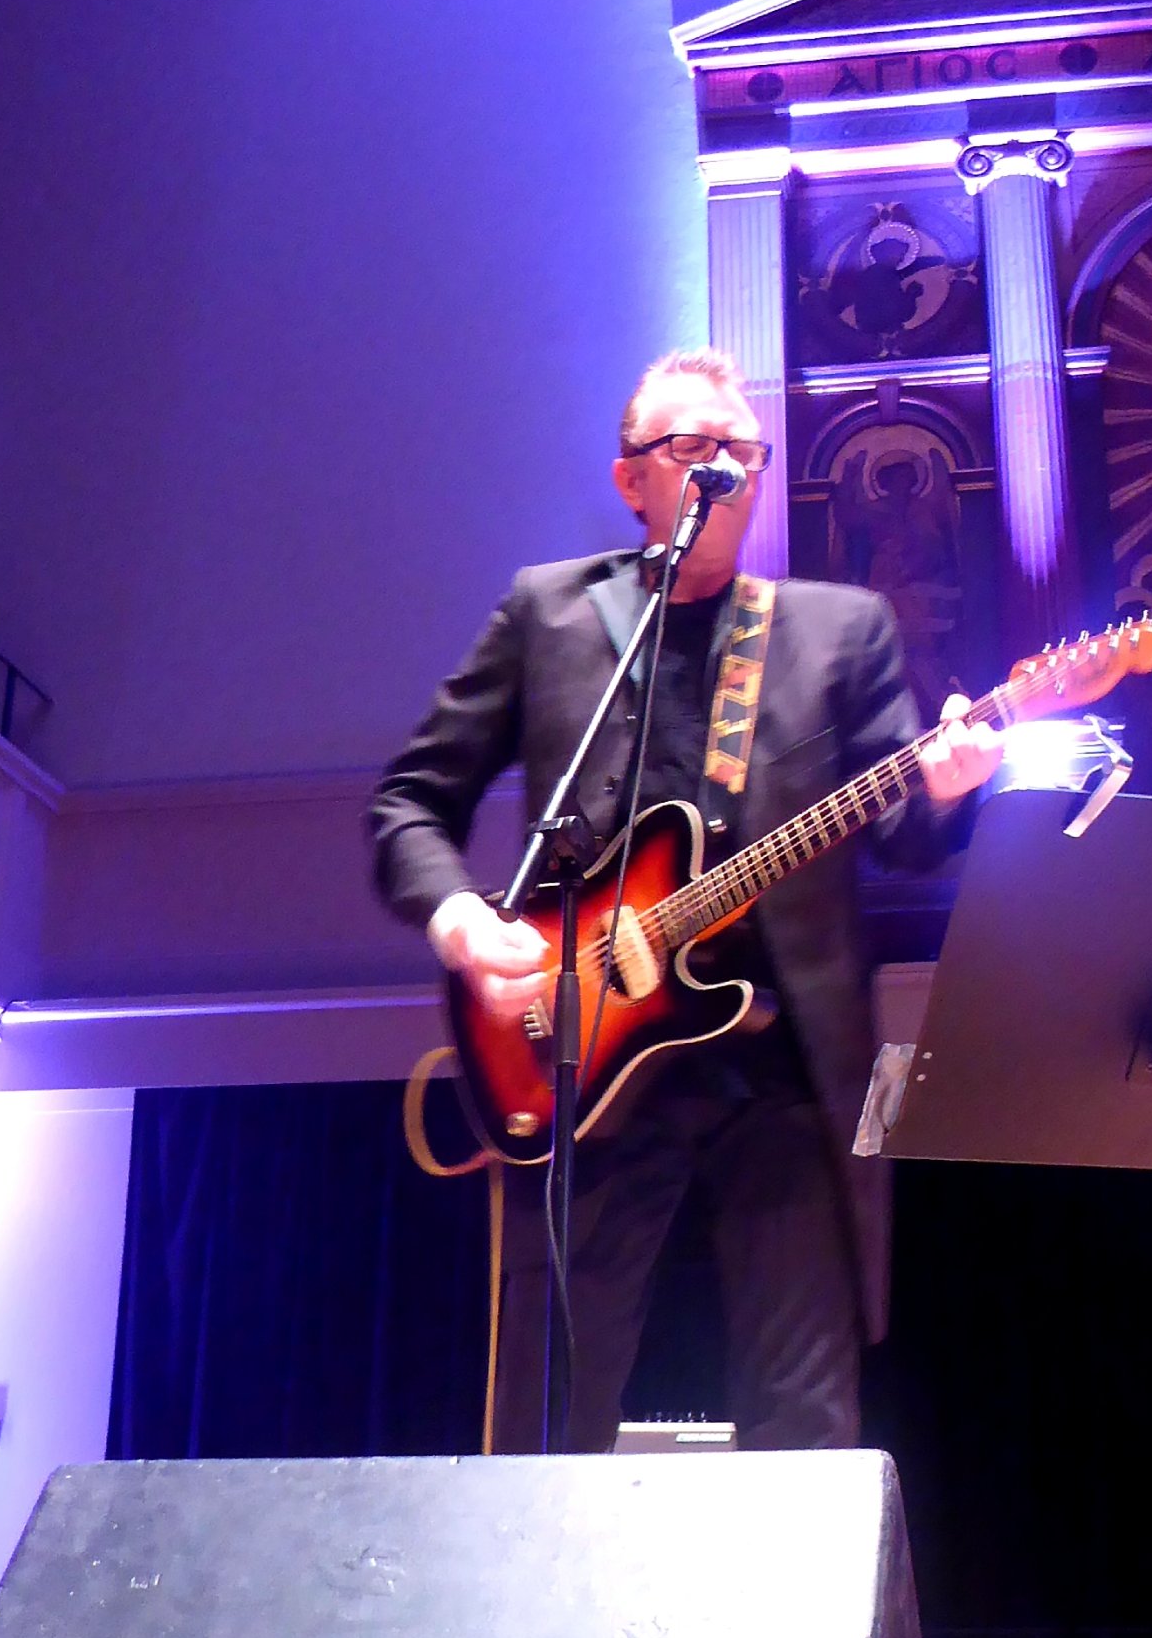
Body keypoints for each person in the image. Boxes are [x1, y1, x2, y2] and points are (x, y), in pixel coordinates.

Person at [366, 346, 1001, 1453]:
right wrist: (463, 923)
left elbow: (905, 837)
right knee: (550, 1412)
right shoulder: (550, 613)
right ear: (632, 479)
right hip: (580, 1052)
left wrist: (950, 788)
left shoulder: (841, 627)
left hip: (787, 1068)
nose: (723, 469)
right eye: (691, 448)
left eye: (740, 451)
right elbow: (411, 801)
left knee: (804, 1421)